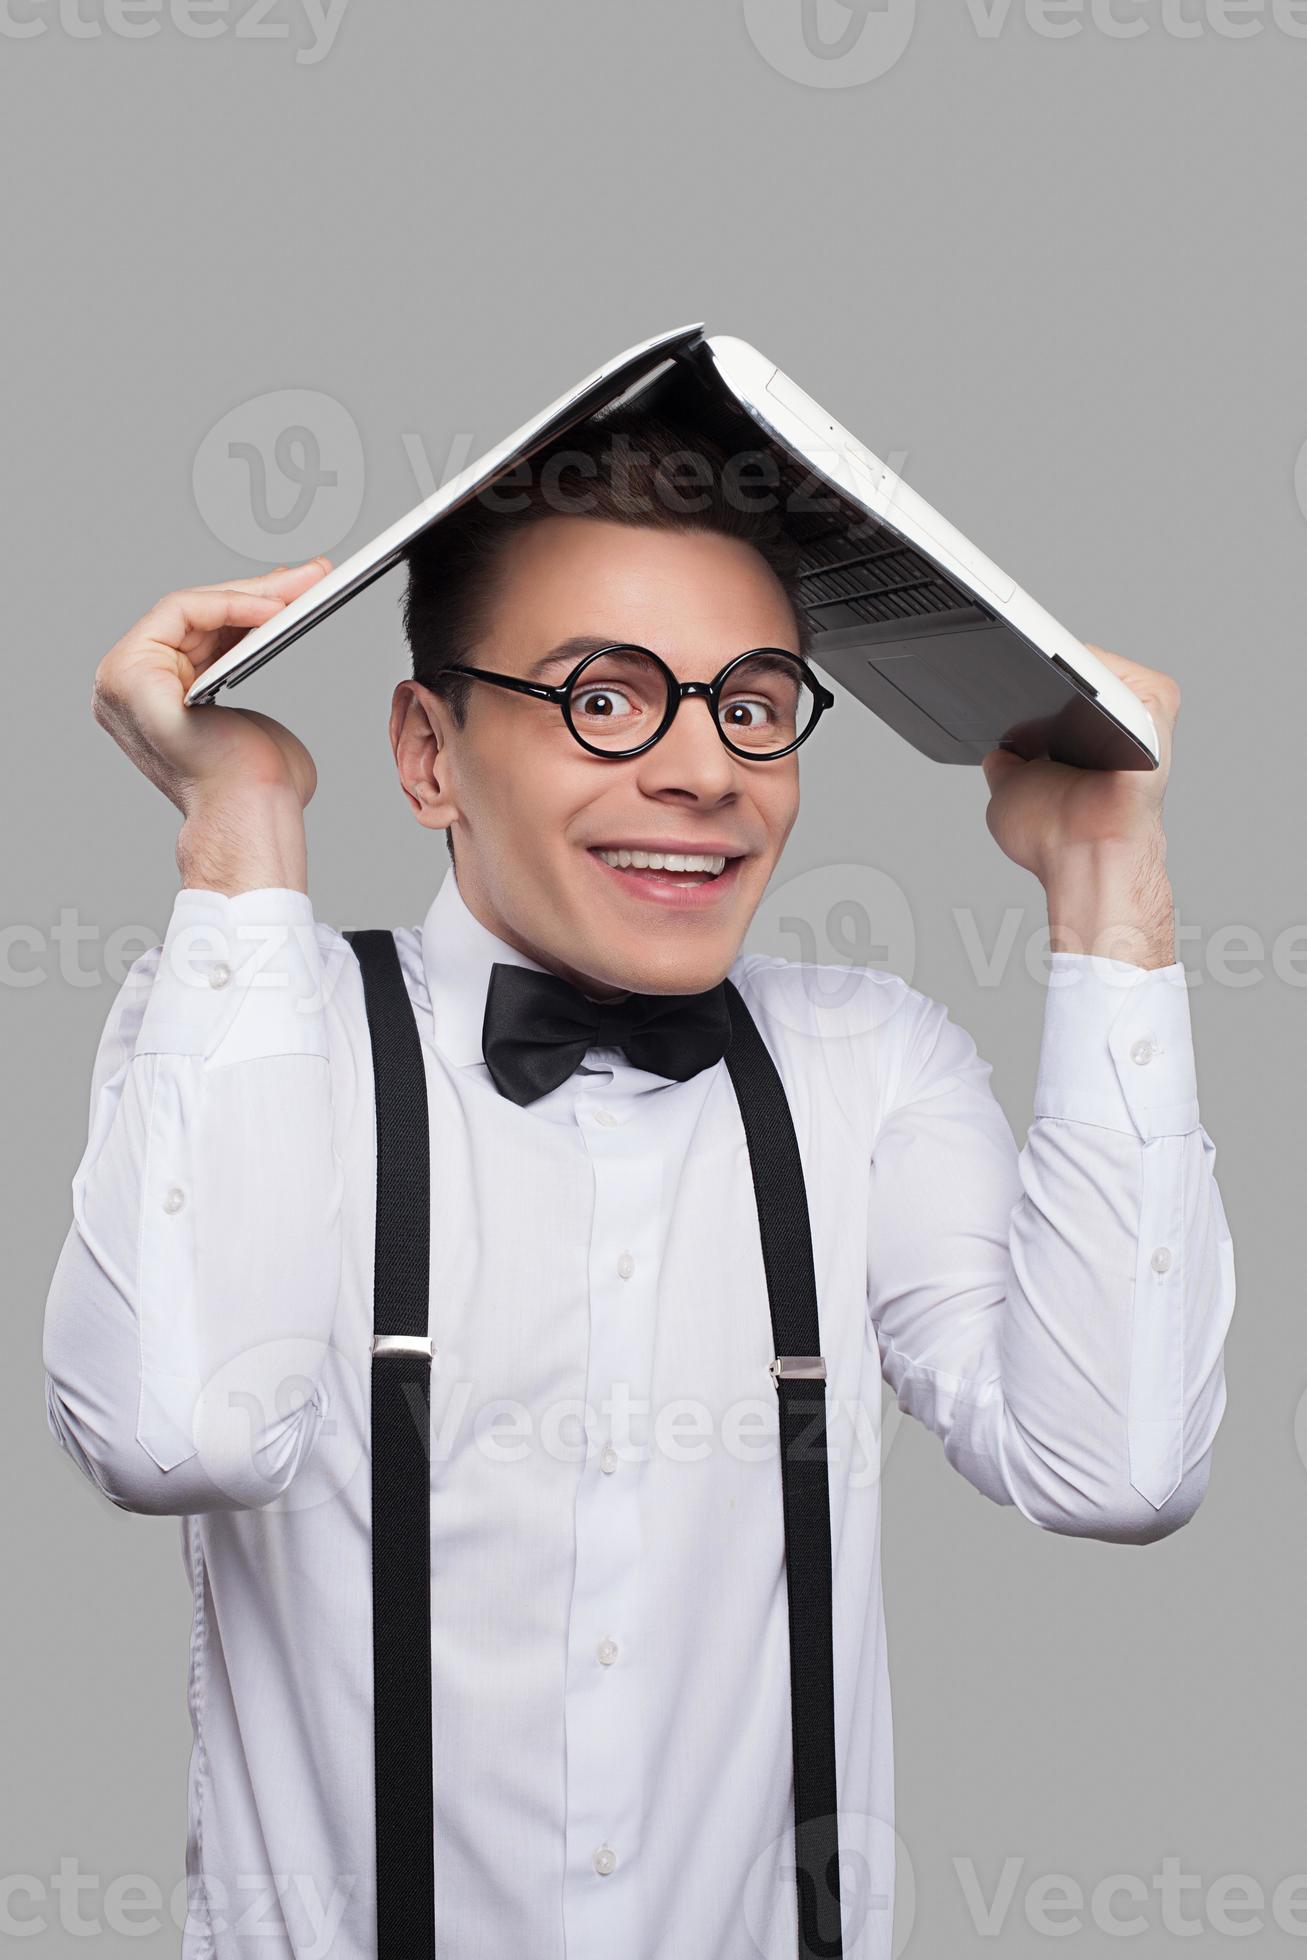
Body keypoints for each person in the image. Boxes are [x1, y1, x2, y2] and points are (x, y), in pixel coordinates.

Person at [42, 407, 1236, 1960]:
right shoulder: (261, 1032)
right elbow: (172, 1432)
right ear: (427, 752)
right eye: (602, 699)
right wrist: (242, 832)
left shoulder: (865, 1064)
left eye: (750, 707)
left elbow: (1119, 1466)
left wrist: (1106, 884)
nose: (700, 773)